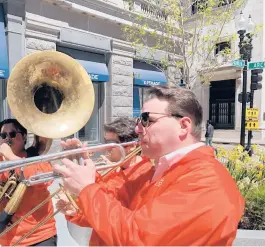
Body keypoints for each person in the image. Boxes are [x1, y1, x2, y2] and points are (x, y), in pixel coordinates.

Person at [54, 85, 245, 246]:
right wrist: (82, 178)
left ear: (184, 126)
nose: (138, 128)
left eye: (147, 120)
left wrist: (87, 189)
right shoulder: (158, 169)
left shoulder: (207, 180)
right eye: (139, 120)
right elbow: (114, 209)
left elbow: (138, 238)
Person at [60, 117, 153, 246]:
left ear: (131, 146)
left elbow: (113, 218)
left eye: (111, 144)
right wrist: (73, 211)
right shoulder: (114, 171)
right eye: (105, 142)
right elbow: (95, 216)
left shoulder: (145, 176)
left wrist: (88, 181)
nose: (106, 148)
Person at [0, 119, 57, 246]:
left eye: (12, 134)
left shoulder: (36, 158)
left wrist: (11, 158)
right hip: (9, 238)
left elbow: (44, 180)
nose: (7, 138)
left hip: (40, 234)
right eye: (3, 135)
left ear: (24, 137)